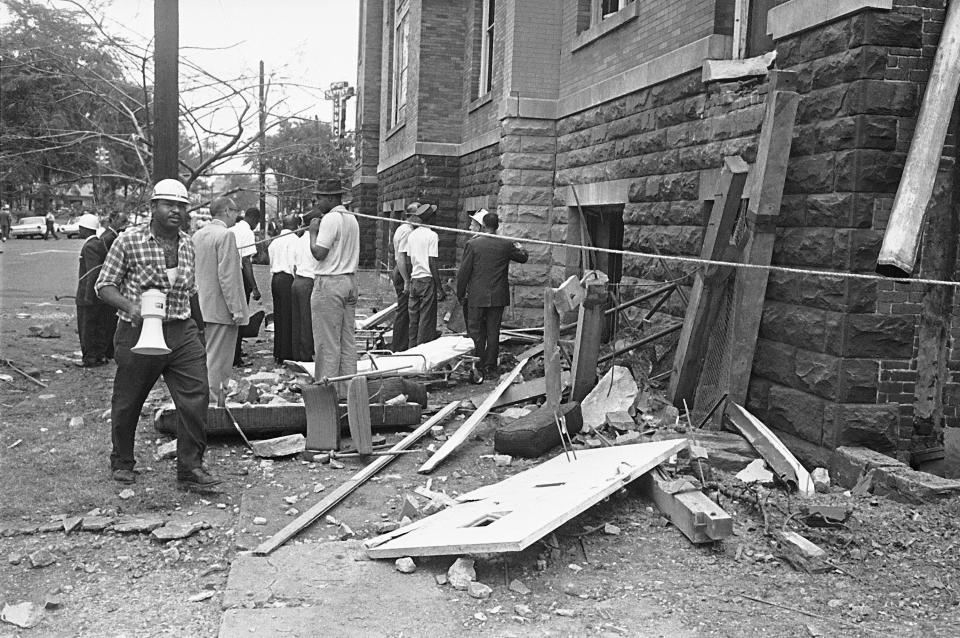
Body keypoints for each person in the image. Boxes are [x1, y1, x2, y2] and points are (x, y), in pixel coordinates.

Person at [95, 178, 221, 491]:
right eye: (169, 204)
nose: (176, 211)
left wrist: (200, 330)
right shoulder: (128, 240)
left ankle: (190, 468)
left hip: (181, 330)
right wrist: (132, 306)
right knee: (128, 399)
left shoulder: (188, 243)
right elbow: (104, 285)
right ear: (154, 207)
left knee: (196, 396)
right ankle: (122, 460)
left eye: (182, 206)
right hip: (138, 331)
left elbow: (191, 291)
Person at [456, 212, 528, 384]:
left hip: (477, 295)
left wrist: (460, 293)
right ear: (497, 225)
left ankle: (477, 364)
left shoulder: (473, 244)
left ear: (483, 225)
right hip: (497, 295)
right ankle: (490, 366)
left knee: (475, 331)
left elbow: (464, 272)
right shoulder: (505, 244)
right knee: (493, 331)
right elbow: (524, 257)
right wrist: (518, 244)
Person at [193, 197, 249, 403]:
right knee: (219, 362)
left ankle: (203, 399)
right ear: (226, 211)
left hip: (200, 307)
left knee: (204, 358)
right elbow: (229, 276)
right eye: (235, 211)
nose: (237, 215)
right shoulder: (226, 235)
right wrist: (236, 309)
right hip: (221, 309)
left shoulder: (197, 235)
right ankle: (214, 404)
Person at [307, 179, 359, 388]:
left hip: (330, 284)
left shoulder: (330, 219)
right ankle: (347, 392)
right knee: (347, 342)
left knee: (327, 343)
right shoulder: (352, 218)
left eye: (319, 198)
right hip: (349, 281)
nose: (316, 202)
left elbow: (319, 253)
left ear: (330, 198)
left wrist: (312, 233)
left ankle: (326, 394)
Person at [76, 212, 125, 367]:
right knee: (100, 326)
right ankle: (100, 355)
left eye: (80, 228)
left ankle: (90, 358)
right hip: (99, 296)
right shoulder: (99, 243)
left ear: (84, 229)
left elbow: (93, 273)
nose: (79, 231)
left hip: (88, 296)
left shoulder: (90, 246)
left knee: (87, 328)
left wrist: (89, 296)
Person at [405, 204, 443, 348]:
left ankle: (411, 347)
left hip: (415, 279)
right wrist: (439, 287)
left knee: (413, 318)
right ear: (431, 217)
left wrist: (408, 280)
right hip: (427, 279)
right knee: (426, 319)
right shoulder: (432, 235)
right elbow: (432, 261)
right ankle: (421, 351)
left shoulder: (412, 235)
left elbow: (408, 261)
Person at [230, 206, 261, 366]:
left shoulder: (232, 229)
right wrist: (254, 286)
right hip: (241, 276)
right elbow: (246, 261)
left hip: (231, 275)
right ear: (255, 219)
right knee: (241, 316)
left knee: (233, 315)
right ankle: (236, 357)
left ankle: (235, 350)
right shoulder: (247, 232)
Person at [267, 215, 299, 364]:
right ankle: (287, 352)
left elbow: (271, 261)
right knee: (289, 316)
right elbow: (294, 264)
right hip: (288, 278)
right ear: (296, 226)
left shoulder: (275, 242)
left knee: (279, 315)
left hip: (276, 278)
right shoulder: (294, 241)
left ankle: (278, 351)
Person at [291, 216, 318, 361]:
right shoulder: (315, 242)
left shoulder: (299, 240)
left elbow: (294, 264)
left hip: (297, 280)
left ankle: (297, 354)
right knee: (307, 320)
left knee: (297, 320)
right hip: (308, 280)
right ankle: (306, 355)